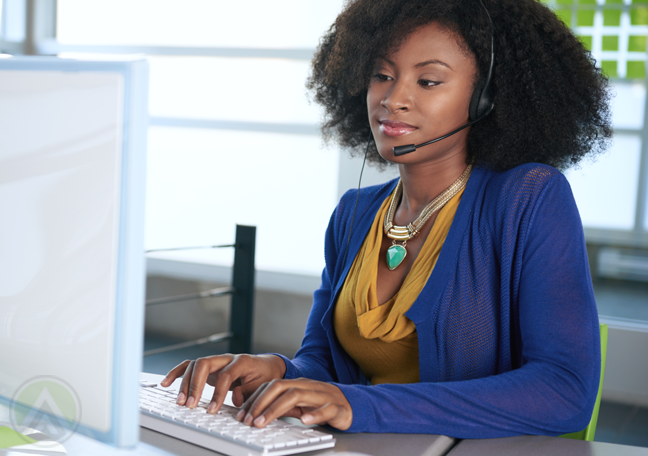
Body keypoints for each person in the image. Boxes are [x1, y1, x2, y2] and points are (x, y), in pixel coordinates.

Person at [162, 0, 612, 438]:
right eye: (382, 75)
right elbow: (325, 363)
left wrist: (361, 406)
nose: (393, 99)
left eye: (429, 81)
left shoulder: (528, 198)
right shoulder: (354, 214)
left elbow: (564, 391)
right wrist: (278, 370)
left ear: (487, 98)